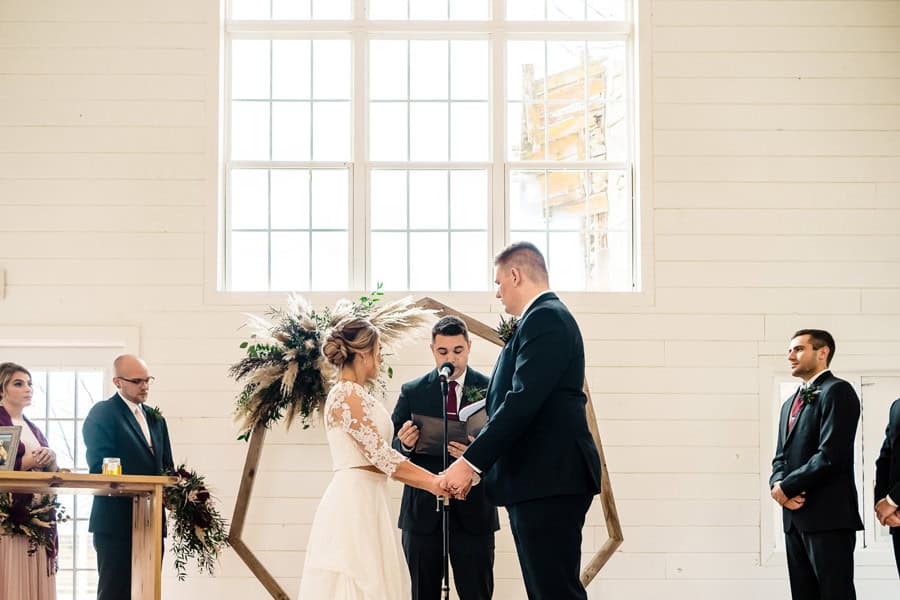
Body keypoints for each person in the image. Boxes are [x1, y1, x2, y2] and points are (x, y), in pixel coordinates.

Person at [440, 242, 602, 600]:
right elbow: (516, 402)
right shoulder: (541, 319)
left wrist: (469, 464)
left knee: (554, 592)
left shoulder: (545, 318)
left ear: (515, 275)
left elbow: (522, 401)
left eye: (498, 283)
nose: (497, 293)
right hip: (539, 479)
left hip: (549, 477)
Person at [299, 317, 447, 599]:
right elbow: (383, 457)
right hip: (353, 502)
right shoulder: (345, 395)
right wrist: (434, 483)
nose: (380, 356)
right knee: (359, 581)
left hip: (370, 497)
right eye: (378, 349)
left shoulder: (358, 394)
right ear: (364, 353)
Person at [391, 316, 498, 600]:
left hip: (474, 511)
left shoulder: (490, 388)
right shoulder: (412, 391)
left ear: (469, 346)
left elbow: (506, 446)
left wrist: (478, 457)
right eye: (443, 352)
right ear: (432, 350)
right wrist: (405, 444)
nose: (451, 358)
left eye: (458, 351)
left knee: (477, 593)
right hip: (423, 514)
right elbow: (389, 449)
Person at [769, 329, 863, 600]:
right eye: (789, 350)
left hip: (828, 517)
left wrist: (787, 487)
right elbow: (780, 457)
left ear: (823, 353)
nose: (790, 356)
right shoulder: (789, 403)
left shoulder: (838, 391)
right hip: (794, 518)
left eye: (798, 349)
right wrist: (778, 487)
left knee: (835, 594)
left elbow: (830, 454)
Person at [82, 354, 174, 600]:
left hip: (151, 520)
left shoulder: (156, 418)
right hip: (115, 519)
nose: (144, 386)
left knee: (149, 591)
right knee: (115, 592)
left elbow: (167, 468)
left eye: (147, 380)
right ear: (117, 382)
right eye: (137, 381)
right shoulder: (102, 413)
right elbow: (99, 466)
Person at [0, 362, 59, 600]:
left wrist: (50, 458)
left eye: (29, 383)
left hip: (37, 516)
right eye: (18, 383)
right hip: (7, 521)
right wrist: (31, 460)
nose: (28, 388)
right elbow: (2, 469)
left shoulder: (32, 428)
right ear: (1, 391)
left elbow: (48, 470)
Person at [875, 396, 900, 577]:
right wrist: (882, 503)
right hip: (897, 519)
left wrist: (893, 500)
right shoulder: (897, 406)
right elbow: (885, 459)